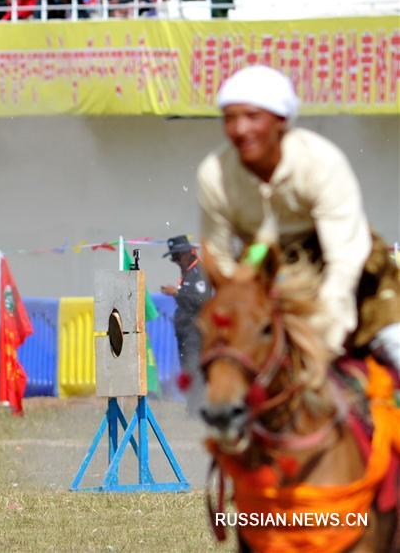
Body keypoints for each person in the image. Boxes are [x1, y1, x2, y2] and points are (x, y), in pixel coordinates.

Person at [197, 65, 400, 372]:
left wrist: (324, 331)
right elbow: (219, 259)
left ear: (281, 122)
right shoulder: (214, 175)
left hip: (352, 275)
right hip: (267, 273)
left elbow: (344, 261)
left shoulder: (321, 162)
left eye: (253, 117)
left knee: (395, 343)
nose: (240, 130)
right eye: (230, 118)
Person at [160, 235, 210, 415]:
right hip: (185, 332)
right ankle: (192, 409)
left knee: (194, 369)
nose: (175, 261)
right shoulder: (188, 272)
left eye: (177, 256)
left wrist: (177, 292)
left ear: (188, 253)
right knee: (187, 370)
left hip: (195, 332)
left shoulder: (199, 272)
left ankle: (197, 411)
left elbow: (201, 300)